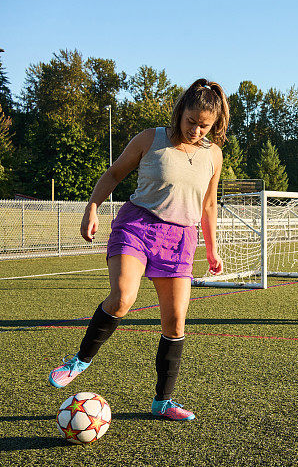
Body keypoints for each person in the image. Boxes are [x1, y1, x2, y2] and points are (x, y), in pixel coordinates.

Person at [48, 79, 228, 421]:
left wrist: (212, 249)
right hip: (138, 225)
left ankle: (163, 401)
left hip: (180, 239)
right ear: (180, 113)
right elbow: (114, 173)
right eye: (191, 121)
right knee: (123, 297)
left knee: (175, 322)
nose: (195, 130)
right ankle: (79, 361)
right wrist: (92, 207)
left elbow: (208, 205)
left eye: (204, 125)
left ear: (215, 124)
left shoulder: (213, 155)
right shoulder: (150, 139)